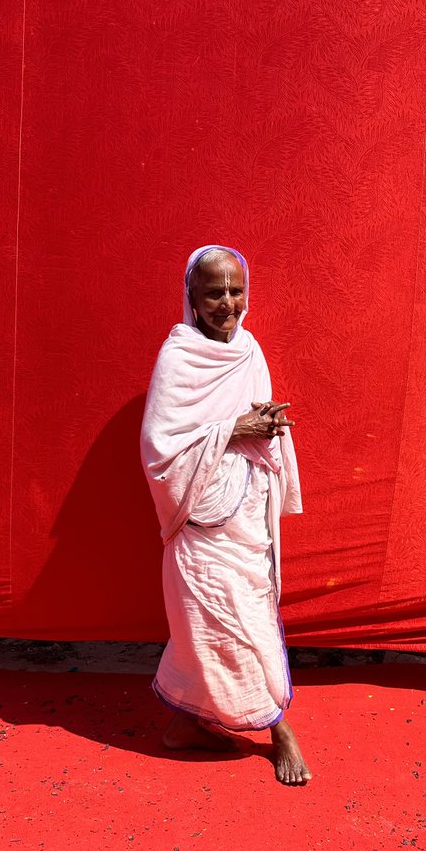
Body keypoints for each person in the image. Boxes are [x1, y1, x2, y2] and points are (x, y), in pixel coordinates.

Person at [140, 244, 312, 785]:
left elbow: (254, 418)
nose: (228, 303)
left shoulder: (250, 350)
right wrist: (235, 430)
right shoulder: (179, 356)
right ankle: (278, 731)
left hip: (247, 517)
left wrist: (265, 424)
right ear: (191, 295)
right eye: (214, 292)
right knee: (210, 624)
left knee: (251, 614)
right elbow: (159, 448)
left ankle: (191, 725)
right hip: (199, 515)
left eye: (236, 291)